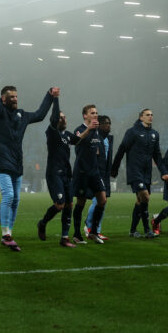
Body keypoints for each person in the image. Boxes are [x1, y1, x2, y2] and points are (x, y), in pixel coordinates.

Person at [0, 65, 55, 251]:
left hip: (17, 162)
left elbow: (40, 115)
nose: (15, 99)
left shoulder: (22, 115)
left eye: (16, 96)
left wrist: (49, 96)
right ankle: (5, 234)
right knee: (8, 195)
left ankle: (9, 232)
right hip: (1, 161)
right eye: (12, 97)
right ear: (3, 99)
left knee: (16, 200)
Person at [37, 98, 88, 248]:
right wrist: (55, 99)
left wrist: (89, 129)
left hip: (66, 174)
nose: (64, 119)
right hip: (54, 173)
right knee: (60, 205)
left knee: (69, 205)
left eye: (65, 117)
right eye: (60, 117)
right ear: (55, 120)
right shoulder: (52, 132)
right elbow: (54, 118)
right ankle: (42, 223)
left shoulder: (67, 135)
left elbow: (77, 140)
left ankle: (64, 238)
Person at [110, 108, 168, 239]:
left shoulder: (154, 134)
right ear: (141, 117)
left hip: (147, 173)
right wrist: (114, 169)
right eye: (147, 115)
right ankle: (147, 230)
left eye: (152, 115)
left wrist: (164, 172)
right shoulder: (132, 132)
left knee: (140, 200)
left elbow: (157, 155)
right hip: (134, 171)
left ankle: (133, 231)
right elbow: (122, 149)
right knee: (145, 197)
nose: (150, 117)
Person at [70, 105, 109, 245]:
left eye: (96, 112)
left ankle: (93, 232)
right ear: (85, 115)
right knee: (81, 202)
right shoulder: (80, 129)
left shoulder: (97, 132)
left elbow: (97, 151)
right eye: (92, 113)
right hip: (82, 172)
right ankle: (76, 235)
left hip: (94, 171)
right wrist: (88, 130)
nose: (95, 115)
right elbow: (76, 141)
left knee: (102, 200)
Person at [83, 115, 113, 241]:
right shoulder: (95, 138)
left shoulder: (108, 139)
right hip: (96, 173)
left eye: (109, 123)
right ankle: (90, 227)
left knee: (102, 202)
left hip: (104, 174)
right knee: (99, 201)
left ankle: (95, 229)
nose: (108, 125)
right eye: (106, 123)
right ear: (99, 125)